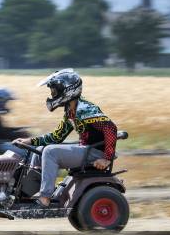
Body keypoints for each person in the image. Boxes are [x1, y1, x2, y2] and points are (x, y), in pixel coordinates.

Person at [13, 69, 118, 207]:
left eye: (54, 91)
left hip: (95, 153)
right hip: (85, 149)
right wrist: (30, 141)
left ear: (68, 90)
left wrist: (106, 158)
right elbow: (57, 137)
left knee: (51, 152)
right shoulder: (70, 111)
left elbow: (111, 128)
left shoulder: (85, 108)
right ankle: (24, 193)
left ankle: (45, 198)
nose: (52, 95)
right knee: (39, 150)